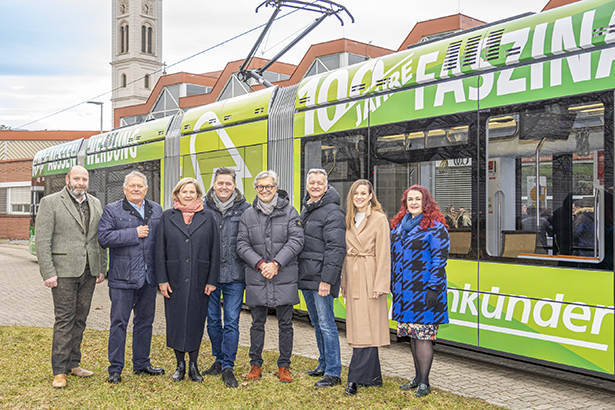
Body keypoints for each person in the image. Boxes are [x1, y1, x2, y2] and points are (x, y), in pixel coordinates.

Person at [35, 165, 107, 389]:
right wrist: (48, 272)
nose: (81, 182)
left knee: (80, 318)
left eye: (84, 179)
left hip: (88, 270)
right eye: (77, 178)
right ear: (67, 179)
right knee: (64, 320)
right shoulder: (50, 202)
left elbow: (98, 239)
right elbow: (42, 240)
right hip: (63, 272)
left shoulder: (95, 203)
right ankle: (59, 370)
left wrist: (101, 267)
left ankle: (74, 363)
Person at [237, 170, 304, 383]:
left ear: (276, 188)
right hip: (258, 276)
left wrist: (276, 264)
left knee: (286, 324)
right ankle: (255, 364)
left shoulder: (290, 211)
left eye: (269, 186)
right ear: (256, 189)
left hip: (283, 274)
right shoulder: (248, 214)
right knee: (257, 323)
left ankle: (284, 366)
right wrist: (260, 264)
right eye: (260, 187)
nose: (264, 190)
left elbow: (296, 241)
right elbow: (241, 244)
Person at [98, 171, 165, 384]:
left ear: (146, 189)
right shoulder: (112, 210)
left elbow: (161, 243)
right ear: (125, 189)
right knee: (119, 322)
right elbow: (103, 238)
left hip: (148, 278)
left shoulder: (157, 210)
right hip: (122, 278)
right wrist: (133, 233)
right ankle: (115, 368)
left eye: (140, 186)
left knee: (145, 322)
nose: (136, 189)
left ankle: (142, 363)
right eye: (132, 186)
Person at [155, 177, 220, 382]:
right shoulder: (167, 217)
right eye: (184, 192)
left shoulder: (208, 217)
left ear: (198, 194)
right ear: (177, 194)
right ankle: (179, 365)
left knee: (195, 321)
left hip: (200, 280)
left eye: (192, 192)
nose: (188, 195)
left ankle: (193, 365)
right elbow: (159, 251)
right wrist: (162, 280)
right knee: (175, 321)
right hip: (173, 280)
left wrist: (212, 280)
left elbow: (215, 251)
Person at [390, 185, 450, 398]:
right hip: (404, 293)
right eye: (410, 199)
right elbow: (393, 258)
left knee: (423, 336)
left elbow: (438, 261)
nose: (413, 203)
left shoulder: (436, 227)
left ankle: (424, 382)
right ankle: (416, 377)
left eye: (418, 199)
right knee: (412, 335)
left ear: (426, 202)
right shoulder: (398, 227)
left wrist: (433, 288)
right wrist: (392, 283)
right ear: (404, 203)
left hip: (425, 292)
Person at [340, 179, 390, 396]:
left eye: (363, 193)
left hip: (370, 278)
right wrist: (343, 282)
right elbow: (344, 254)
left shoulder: (379, 219)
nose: (359, 197)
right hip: (353, 277)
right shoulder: (349, 220)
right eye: (355, 194)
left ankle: (354, 378)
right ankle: (373, 377)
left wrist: (380, 284)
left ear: (371, 196)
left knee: (365, 328)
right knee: (361, 326)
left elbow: (384, 253)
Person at [203, 167, 250, 388]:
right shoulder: (202, 208)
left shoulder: (245, 209)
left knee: (231, 321)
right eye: (220, 183)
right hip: (209, 276)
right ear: (214, 184)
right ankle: (219, 359)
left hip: (235, 276)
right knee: (212, 321)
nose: (224, 187)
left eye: (228, 183)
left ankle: (227, 366)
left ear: (234, 185)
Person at [298, 169, 346, 388]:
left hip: (321, 279)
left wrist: (327, 280)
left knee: (327, 324)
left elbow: (336, 249)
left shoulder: (333, 212)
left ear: (326, 187)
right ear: (307, 185)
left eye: (319, 183)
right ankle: (324, 363)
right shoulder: (307, 208)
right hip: (307, 275)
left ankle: (333, 371)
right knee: (316, 323)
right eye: (311, 182)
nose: (315, 186)